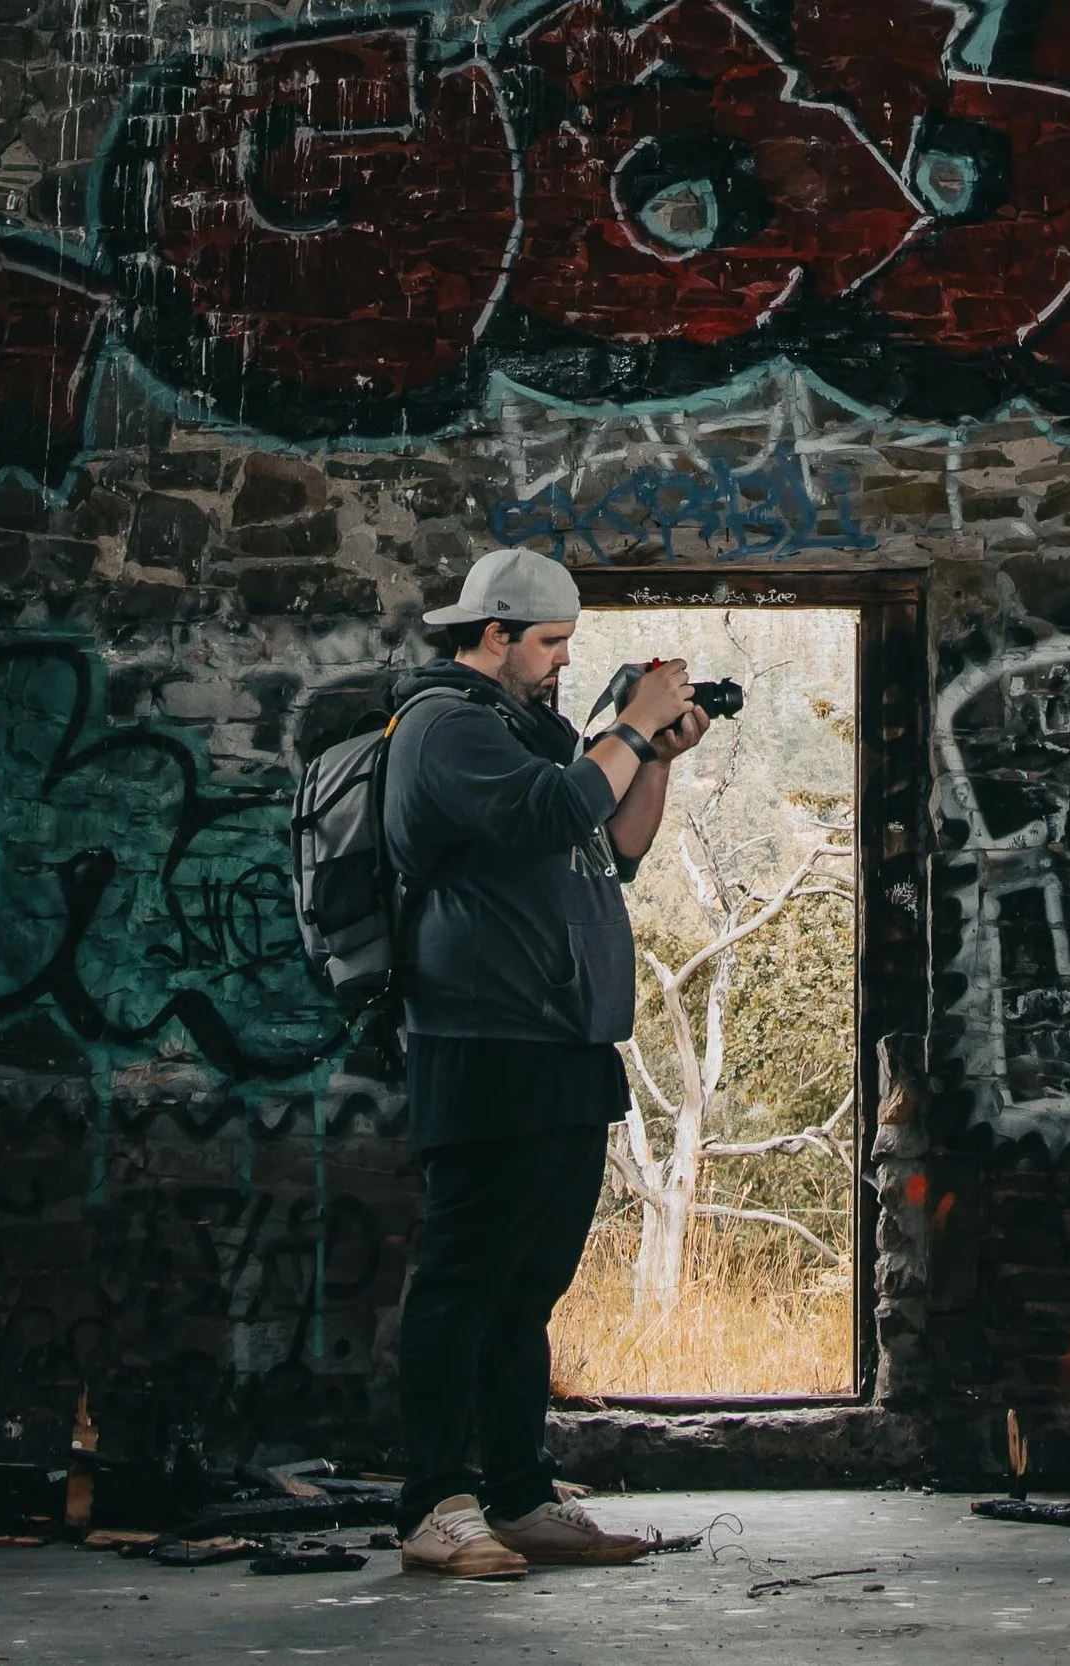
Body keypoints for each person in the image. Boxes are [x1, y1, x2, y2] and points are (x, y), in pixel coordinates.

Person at [380, 547, 709, 1579]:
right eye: (551, 643)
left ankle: (517, 1493)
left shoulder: (541, 736)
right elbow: (549, 812)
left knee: (527, 1289)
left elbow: (614, 845)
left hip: (567, 1046)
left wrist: (651, 751)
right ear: (494, 635)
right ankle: (434, 1502)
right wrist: (625, 724)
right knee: (461, 1280)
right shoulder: (444, 727)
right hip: (481, 1043)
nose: (563, 662)